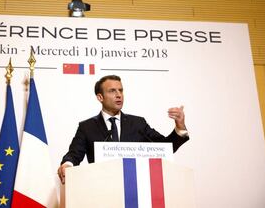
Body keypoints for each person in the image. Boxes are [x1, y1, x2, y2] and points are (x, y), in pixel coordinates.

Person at [57, 75, 189, 184]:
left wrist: (180, 127)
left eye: (121, 90)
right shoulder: (87, 127)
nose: (119, 95)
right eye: (112, 91)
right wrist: (67, 164)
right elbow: (74, 154)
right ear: (100, 97)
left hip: (135, 188)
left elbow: (165, 148)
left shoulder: (138, 124)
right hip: (101, 188)